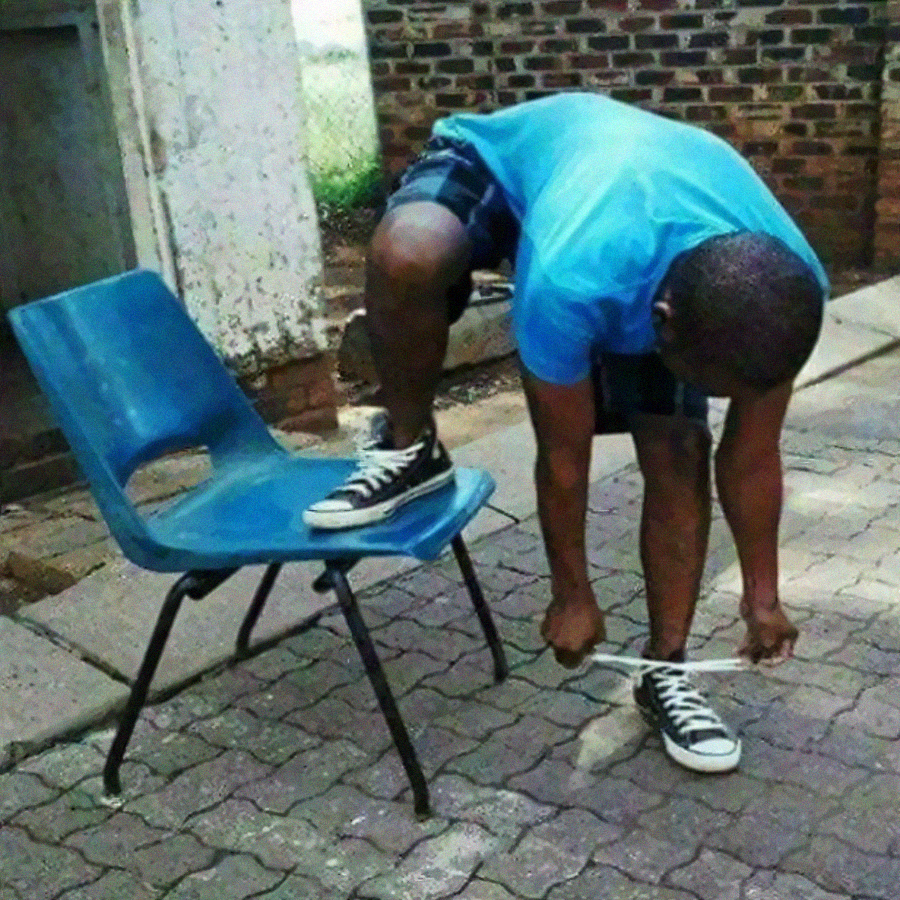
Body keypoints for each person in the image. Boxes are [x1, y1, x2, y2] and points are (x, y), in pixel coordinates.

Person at [303, 92, 828, 774]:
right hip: (503, 163)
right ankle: (412, 444)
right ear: (661, 321)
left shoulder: (784, 292)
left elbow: (753, 456)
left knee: (678, 445)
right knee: (410, 252)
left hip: (634, 215)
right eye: (708, 379)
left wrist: (763, 597)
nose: (716, 397)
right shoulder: (571, 277)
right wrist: (570, 592)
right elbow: (563, 458)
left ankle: (664, 670)